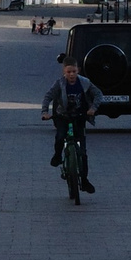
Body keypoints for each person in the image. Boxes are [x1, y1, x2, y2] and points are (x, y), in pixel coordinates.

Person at [40, 56, 100, 193]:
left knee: (83, 153)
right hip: (62, 116)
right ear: (64, 72)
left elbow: (98, 94)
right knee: (60, 136)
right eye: (68, 72)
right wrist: (45, 112)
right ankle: (57, 155)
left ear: (78, 70)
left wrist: (93, 109)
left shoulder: (85, 83)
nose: (71, 74)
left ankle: (84, 181)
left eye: (74, 71)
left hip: (79, 117)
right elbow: (48, 97)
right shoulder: (59, 84)